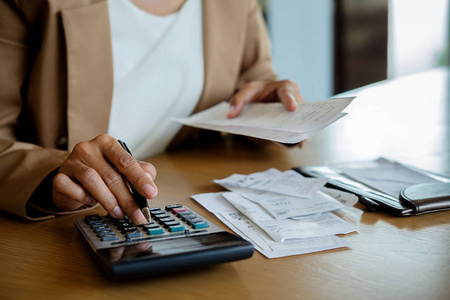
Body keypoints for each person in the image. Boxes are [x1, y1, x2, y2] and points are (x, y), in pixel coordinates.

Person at [0, 0, 304, 224]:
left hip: (187, 202)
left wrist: (272, 107)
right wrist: (56, 175)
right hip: (65, 227)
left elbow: (256, 80)